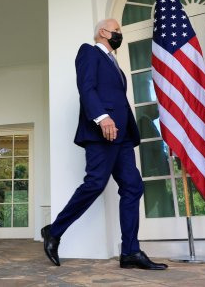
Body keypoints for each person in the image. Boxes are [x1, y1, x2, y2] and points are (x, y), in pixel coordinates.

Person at [41, 19, 168, 270]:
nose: (120, 33)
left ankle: (130, 251)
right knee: (95, 184)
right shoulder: (89, 51)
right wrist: (102, 117)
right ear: (103, 32)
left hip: (122, 136)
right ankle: (54, 231)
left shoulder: (116, 65)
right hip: (102, 131)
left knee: (133, 187)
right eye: (117, 30)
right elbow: (86, 87)